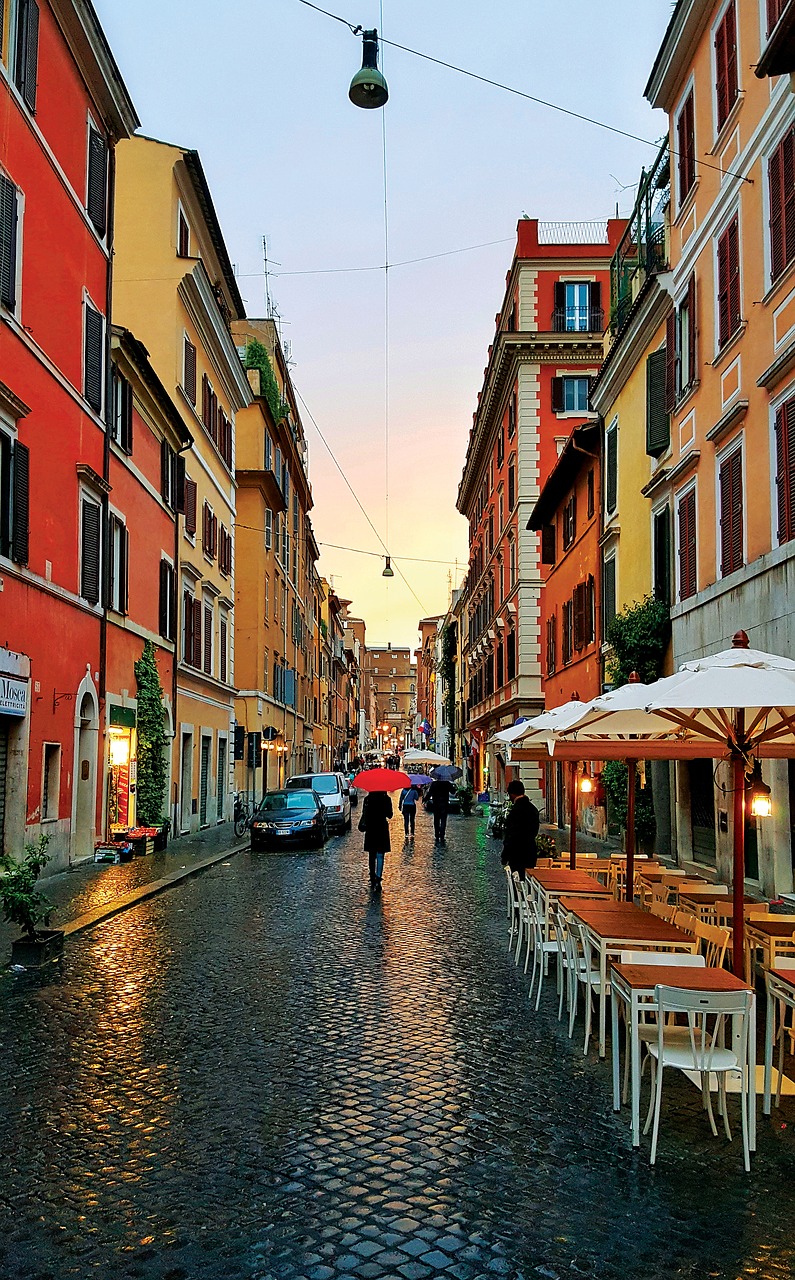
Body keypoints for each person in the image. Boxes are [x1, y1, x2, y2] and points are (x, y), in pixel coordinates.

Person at [500, 779, 540, 881]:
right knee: (528, 881)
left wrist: (505, 855)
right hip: (530, 851)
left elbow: (511, 835)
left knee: (517, 881)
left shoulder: (515, 812)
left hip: (516, 853)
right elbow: (535, 831)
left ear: (512, 794)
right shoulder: (533, 809)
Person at [359, 790, 393, 890]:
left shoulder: (367, 799)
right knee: (380, 854)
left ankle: (372, 877)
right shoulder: (386, 799)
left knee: (372, 854)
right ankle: (378, 879)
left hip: (371, 828)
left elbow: (364, 814)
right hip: (381, 828)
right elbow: (390, 815)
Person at [427, 778, 454, 844]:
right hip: (444, 804)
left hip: (436, 804)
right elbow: (453, 791)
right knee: (443, 820)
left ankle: (437, 834)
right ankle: (442, 835)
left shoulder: (434, 784)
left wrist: (425, 799)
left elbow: (430, 793)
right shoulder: (447, 783)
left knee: (436, 820)